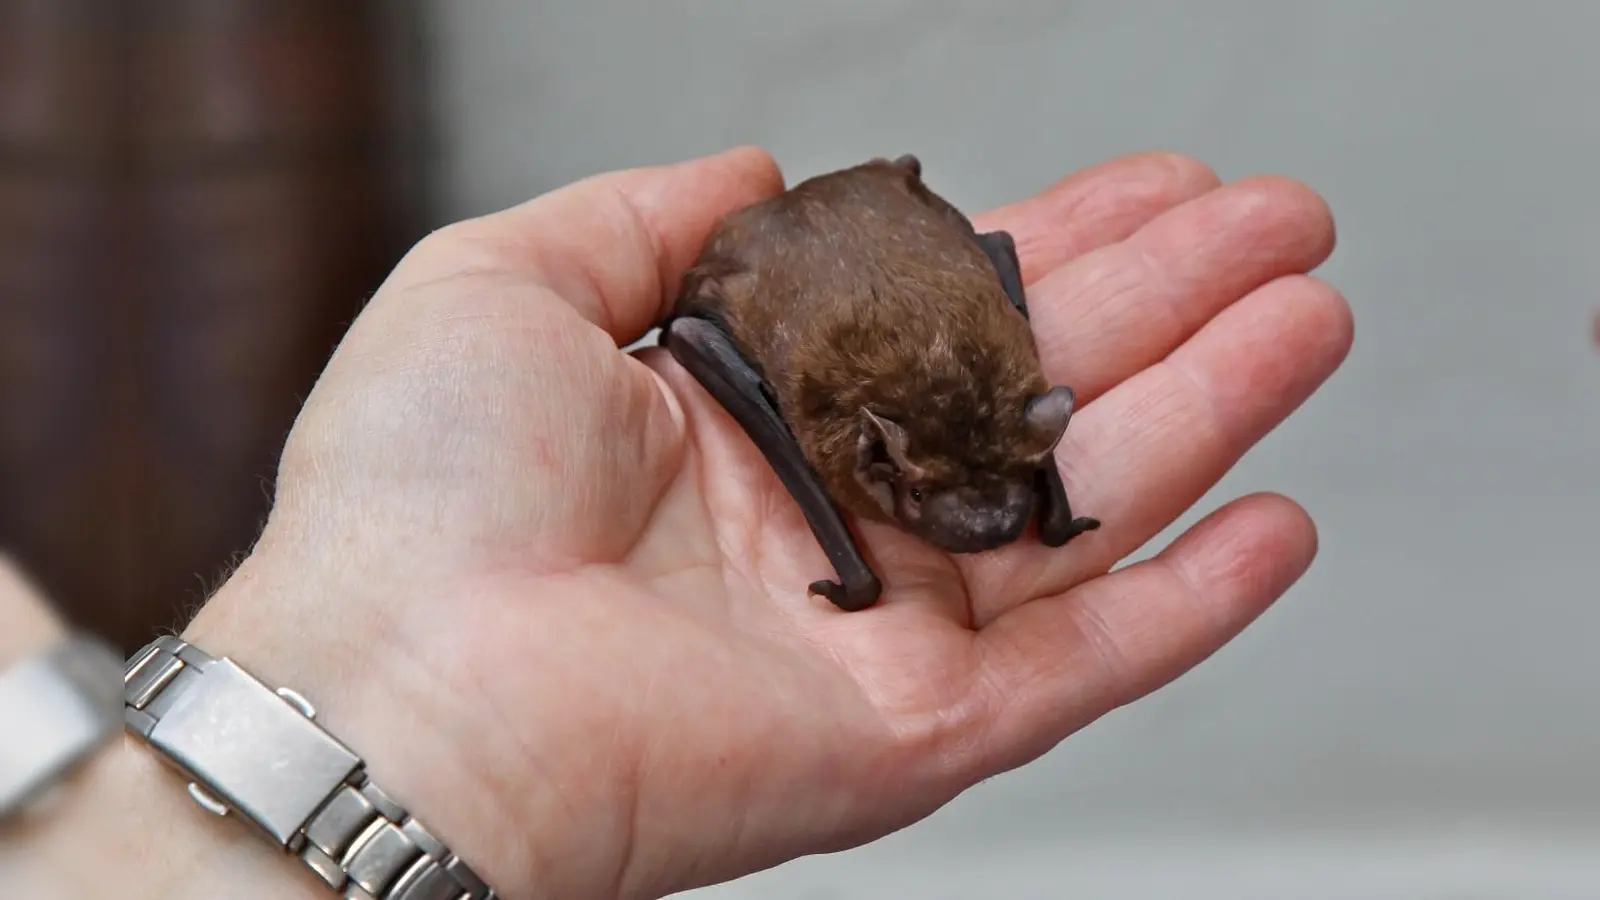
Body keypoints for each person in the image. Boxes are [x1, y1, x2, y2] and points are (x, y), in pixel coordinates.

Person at [0, 145, 1348, 899]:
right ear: (873, 462)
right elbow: (720, 338)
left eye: (1008, 483)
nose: (981, 518)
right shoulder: (817, 404)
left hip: (898, 288)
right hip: (791, 306)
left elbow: (984, 299)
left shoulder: (984, 359)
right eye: (947, 502)